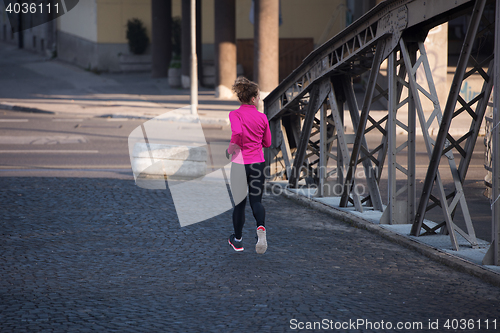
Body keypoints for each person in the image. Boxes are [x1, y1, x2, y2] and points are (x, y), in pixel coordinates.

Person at [226, 76, 272, 254]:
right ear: (253, 98)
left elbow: (237, 132)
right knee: (256, 202)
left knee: (239, 204)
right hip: (257, 163)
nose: (259, 99)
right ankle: (261, 228)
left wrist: (231, 148)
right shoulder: (262, 117)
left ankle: (237, 241)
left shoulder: (235, 114)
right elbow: (267, 142)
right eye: (258, 96)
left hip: (239, 164)